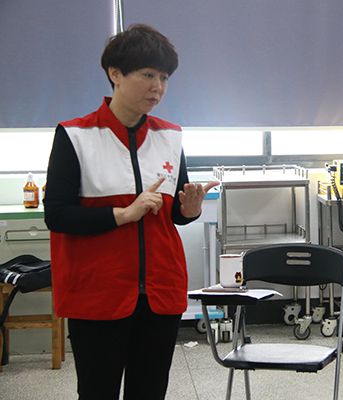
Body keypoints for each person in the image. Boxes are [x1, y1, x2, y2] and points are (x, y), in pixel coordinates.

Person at [44, 24, 219, 400]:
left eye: (164, 77)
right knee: (98, 392)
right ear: (115, 74)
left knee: (150, 391)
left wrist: (188, 210)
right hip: (98, 295)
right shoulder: (75, 136)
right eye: (148, 75)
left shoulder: (170, 136)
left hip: (160, 293)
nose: (158, 87)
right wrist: (122, 214)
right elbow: (56, 215)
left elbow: (173, 215)